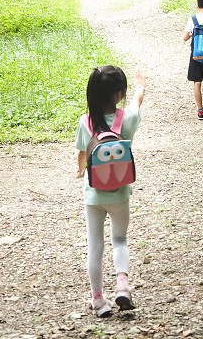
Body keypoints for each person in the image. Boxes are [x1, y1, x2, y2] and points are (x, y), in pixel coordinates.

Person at [75, 66, 145, 317]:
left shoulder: (86, 121)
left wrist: (80, 169)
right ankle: (122, 286)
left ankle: (98, 300)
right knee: (120, 240)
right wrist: (140, 87)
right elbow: (137, 103)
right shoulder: (125, 119)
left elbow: (82, 154)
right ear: (118, 94)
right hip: (120, 193)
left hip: (93, 194)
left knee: (95, 246)